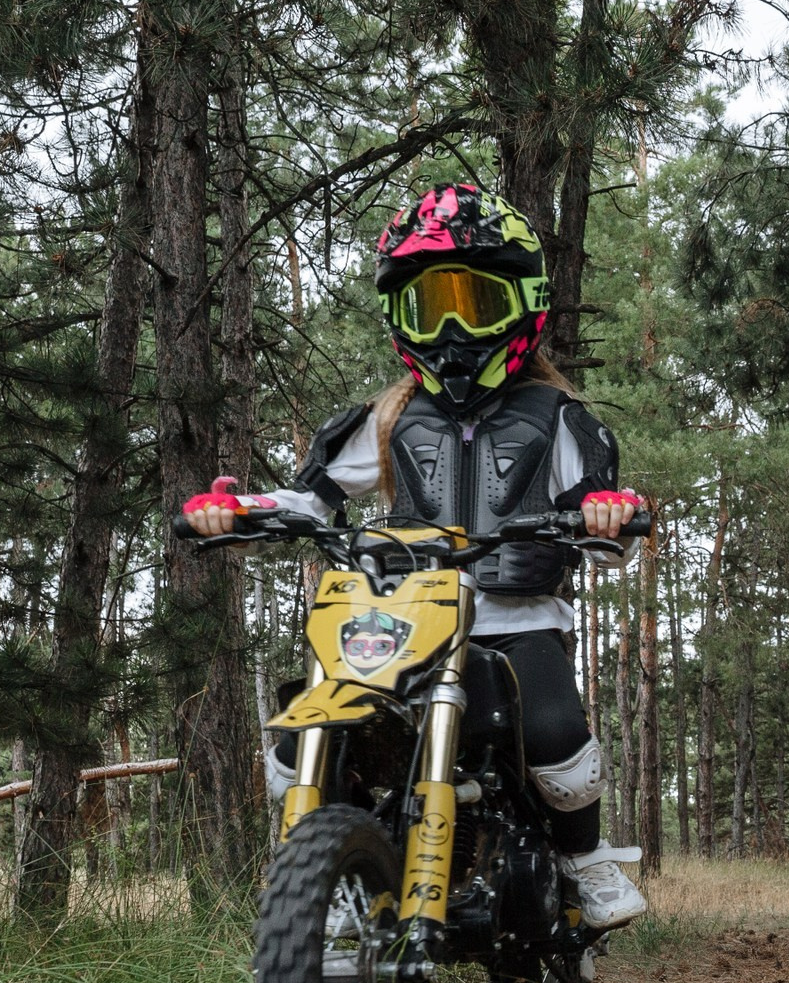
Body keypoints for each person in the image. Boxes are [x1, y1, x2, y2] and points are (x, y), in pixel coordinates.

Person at [180, 181, 649, 927]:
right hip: (407, 619)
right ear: (401, 317)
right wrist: (236, 511)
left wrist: (608, 514)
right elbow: (310, 497)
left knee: (556, 735)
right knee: (300, 737)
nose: (454, 326)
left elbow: (602, 511)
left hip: (515, 620)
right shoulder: (391, 416)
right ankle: (336, 871)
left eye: (477, 302)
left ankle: (585, 860)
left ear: (524, 302)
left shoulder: (557, 416)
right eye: (432, 307)